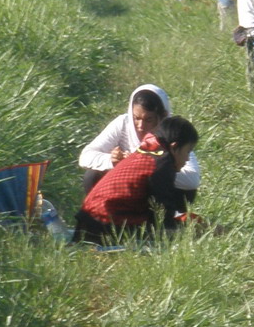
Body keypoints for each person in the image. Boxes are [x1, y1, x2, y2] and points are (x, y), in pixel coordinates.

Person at [71, 115, 199, 245]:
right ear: (174, 147)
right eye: (188, 151)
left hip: (87, 222)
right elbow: (161, 210)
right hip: (104, 228)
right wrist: (181, 229)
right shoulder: (162, 163)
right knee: (193, 230)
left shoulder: (147, 149)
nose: (187, 159)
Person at [78, 84, 200, 212]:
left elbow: (192, 180)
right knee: (91, 176)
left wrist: (145, 166)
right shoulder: (123, 124)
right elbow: (85, 157)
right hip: (125, 190)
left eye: (148, 120)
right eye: (136, 118)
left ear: (161, 117)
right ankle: (101, 215)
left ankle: (165, 221)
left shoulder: (169, 133)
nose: (140, 126)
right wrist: (112, 161)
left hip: (156, 194)